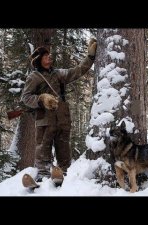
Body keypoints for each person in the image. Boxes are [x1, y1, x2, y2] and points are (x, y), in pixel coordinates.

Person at [21, 38, 97, 183]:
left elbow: (78, 70)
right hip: (45, 120)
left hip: (62, 118)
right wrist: (41, 99)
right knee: (43, 150)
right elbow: (25, 98)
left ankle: (63, 176)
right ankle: (42, 178)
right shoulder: (34, 77)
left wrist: (90, 57)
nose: (49, 56)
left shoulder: (58, 74)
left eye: (49, 54)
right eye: (45, 55)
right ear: (38, 60)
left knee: (64, 153)